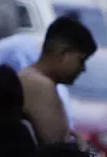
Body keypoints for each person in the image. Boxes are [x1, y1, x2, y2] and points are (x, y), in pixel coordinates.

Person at [18, 16, 97, 145]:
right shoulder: (39, 85)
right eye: (81, 60)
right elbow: (58, 152)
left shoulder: (31, 78)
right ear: (63, 53)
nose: (83, 69)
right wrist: (82, 149)